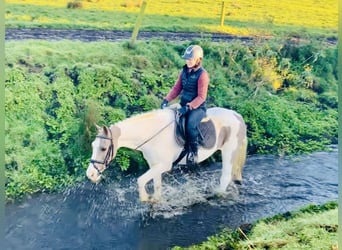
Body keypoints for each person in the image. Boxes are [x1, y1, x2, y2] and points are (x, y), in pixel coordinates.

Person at [160, 45, 210, 165]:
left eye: (190, 59)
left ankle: (193, 152)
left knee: (190, 125)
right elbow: (177, 88)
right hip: (183, 104)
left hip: (197, 107)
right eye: (186, 59)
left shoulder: (202, 75)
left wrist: (188, 107)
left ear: (198, 60)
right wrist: (167, 100)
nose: (188, 61)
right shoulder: (184, 71)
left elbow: (201, 97)